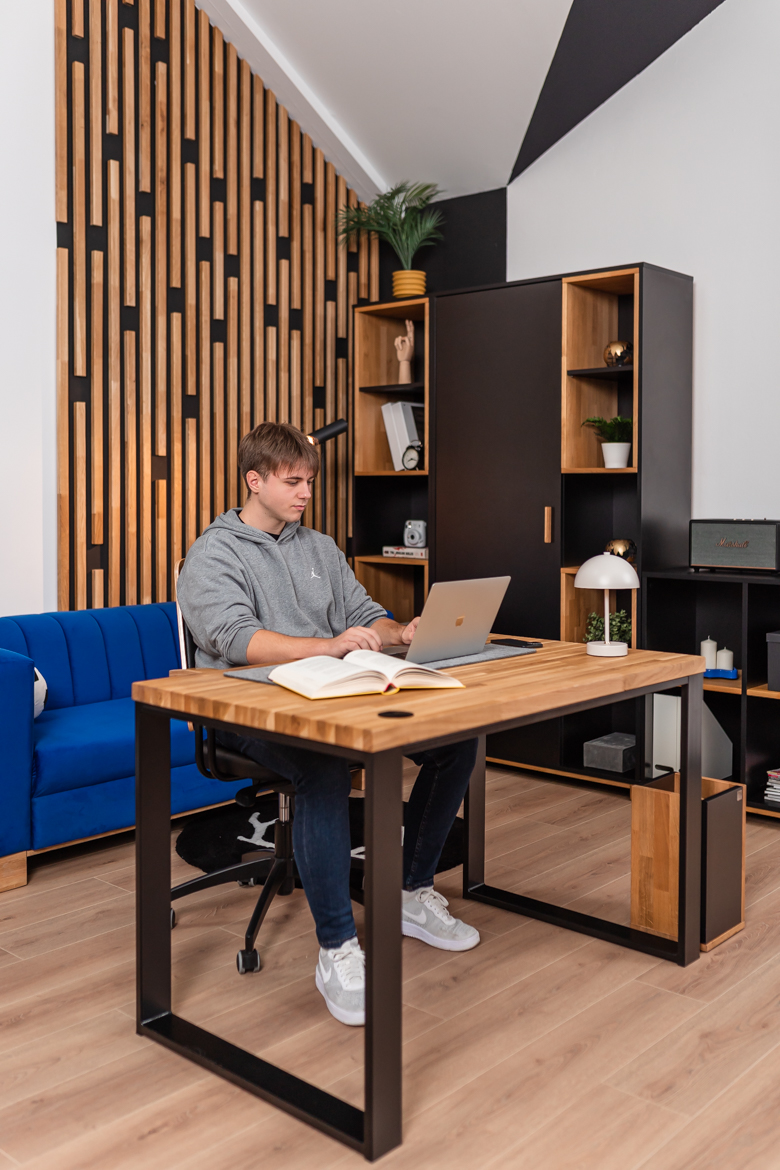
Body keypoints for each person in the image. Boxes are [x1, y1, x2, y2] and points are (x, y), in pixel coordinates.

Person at [177, 421, 479, 1027]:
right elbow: (237, 640)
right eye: (292, 482)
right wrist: (330, 646)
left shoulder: (318, 547)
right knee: (321, 770)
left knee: (454, 744)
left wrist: (401, 631)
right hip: (241, 711)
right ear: (253, 481)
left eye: (310, 481)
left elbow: (364, 613)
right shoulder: (213, 554)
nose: (305, 492)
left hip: (328, 695)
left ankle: (409, 893)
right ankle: (338, 949)